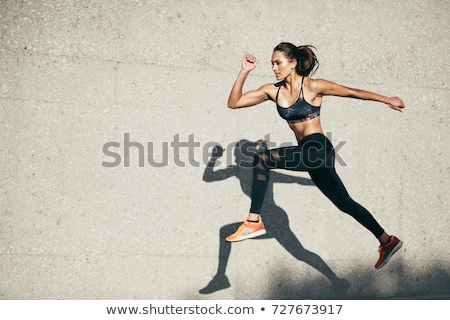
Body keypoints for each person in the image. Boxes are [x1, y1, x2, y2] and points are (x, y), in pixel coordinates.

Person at [226, 42, 405, 269]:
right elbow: (234, 103)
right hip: (308, 156)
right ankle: (387, 241)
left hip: (318, 148)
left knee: (262, 159)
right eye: (272, 63)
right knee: (345, 203)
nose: (274, 67)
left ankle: (253, 221)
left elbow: (352, 92)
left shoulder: (313, 86)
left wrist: (387, 99)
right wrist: (244, 72)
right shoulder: (273, 90)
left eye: (278, 62)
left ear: (292, 63)